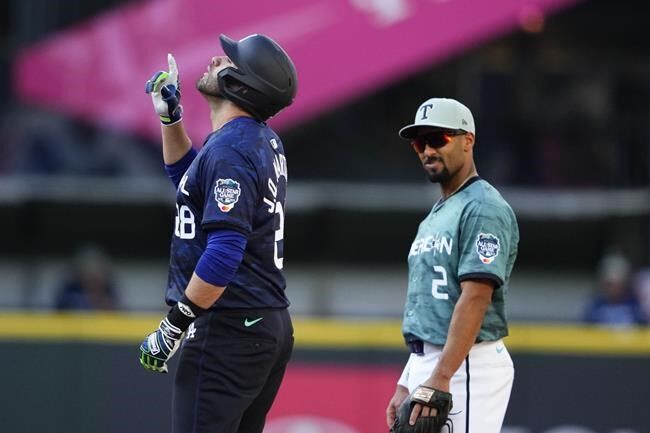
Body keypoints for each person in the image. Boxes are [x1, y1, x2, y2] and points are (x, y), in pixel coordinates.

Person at [138, 33, 297, 433]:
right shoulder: (255, 140)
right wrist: (170, 120)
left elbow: (225, 250)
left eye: (229, 61)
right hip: (261, 323)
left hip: (230, 326)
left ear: (243, 85)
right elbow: (189, 180)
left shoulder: (231, 149)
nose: (214, 60)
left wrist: (175, 324)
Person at [385, 98, 519, 433]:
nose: (427, 150)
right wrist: (408, 377)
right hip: (431, 360)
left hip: (466, 362)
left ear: (467, 140)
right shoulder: (440, 211)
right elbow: (429, 307)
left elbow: (475, 297)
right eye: (420, 142)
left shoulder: (483, 207)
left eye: (438, 139)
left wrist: (442, 375)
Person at [583, 251, 647, 326]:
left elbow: (642, 327)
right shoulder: (596, 305)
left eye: (617, 284)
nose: (613, 288)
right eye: (609, 284)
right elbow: (586, 327)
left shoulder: (633, 305)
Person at [55, 244, 119, 311]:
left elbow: (118, 311)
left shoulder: (109, 290)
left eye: (97, 272)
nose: (92, 278)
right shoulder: (70, 290)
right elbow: (61, 310)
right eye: (88, 273)